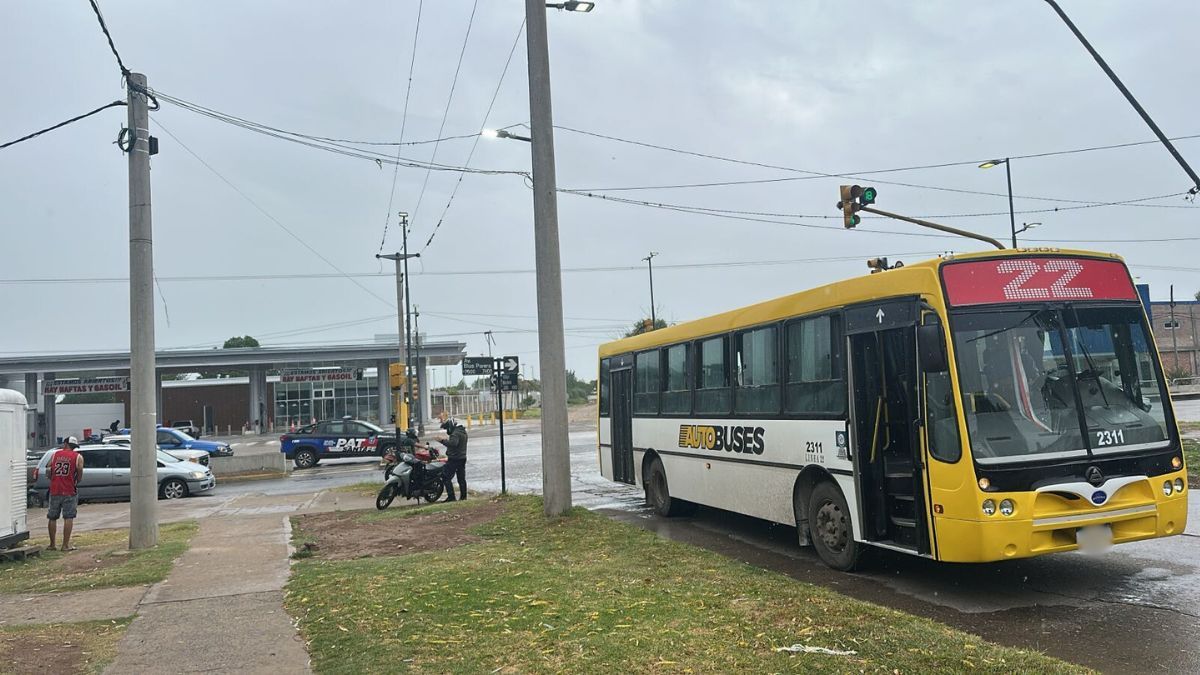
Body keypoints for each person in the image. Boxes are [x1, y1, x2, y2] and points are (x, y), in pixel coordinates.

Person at [47, 436, 85, 551]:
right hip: (69, 490)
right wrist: (77, 480)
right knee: (68, 517)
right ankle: (65, 545)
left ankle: (52, 544)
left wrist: (52, 479)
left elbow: (48, 469)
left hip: (55, 490)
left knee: (52, 517)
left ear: (65, 444)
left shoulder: (55, 455)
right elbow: (80, 471)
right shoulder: (77, 456)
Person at [437, 412, 468, 502]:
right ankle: (463, 497)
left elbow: (453, 444)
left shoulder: (455, 433)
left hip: (454, 459)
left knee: (445, 477)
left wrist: (442, 440)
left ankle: (451, 497)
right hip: (462, 457)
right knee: (461, 478)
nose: (447, 430)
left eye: (446, 428)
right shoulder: (463, 432)